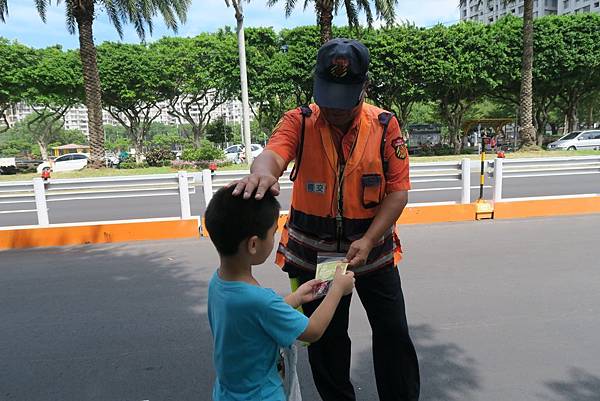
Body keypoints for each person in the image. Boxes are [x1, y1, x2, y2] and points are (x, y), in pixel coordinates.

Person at [232, 38, 420, 401]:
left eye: (344, 98)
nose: (333, 109)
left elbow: (398, 193)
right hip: (315, 258)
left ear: (364, 87)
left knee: (393, 334)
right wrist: (262, 173)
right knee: (327, 342)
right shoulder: (299, 122)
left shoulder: (384, 126)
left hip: (374, 252)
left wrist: (368, 240)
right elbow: (273, 153)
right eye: (327, 97)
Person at [205, 186, 355, 401]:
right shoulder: (261, 300)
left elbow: (254, 319)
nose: (274, 238)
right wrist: (338, 289)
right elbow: (312, 331)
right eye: (273, 232)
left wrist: (296, 298)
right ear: (254, 244)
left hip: (227, 393)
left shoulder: (217, 282)